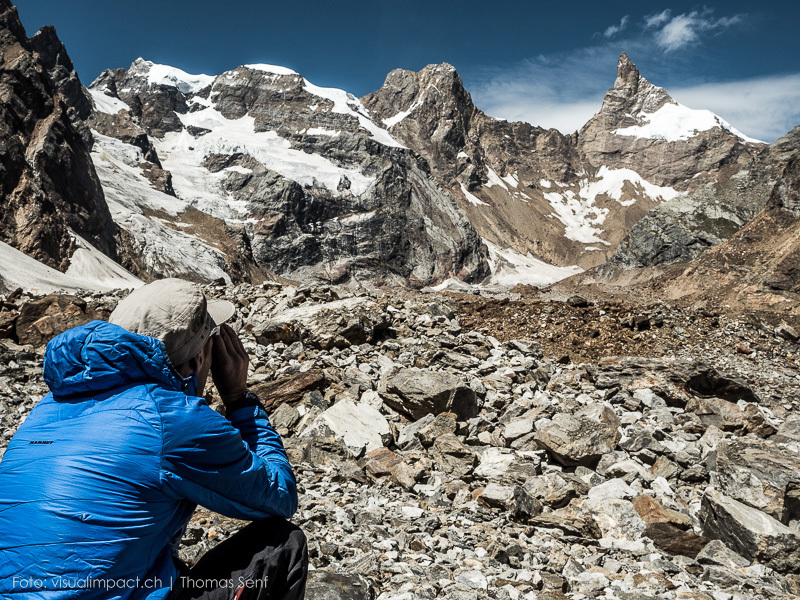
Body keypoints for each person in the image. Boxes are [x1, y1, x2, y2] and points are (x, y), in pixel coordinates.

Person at [0, 278, 308, 600]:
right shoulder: (171, 417)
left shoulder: (45, 410)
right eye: (211, 340)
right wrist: (238, 398)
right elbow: (279, 495)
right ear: (199, 359)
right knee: (283, 545)